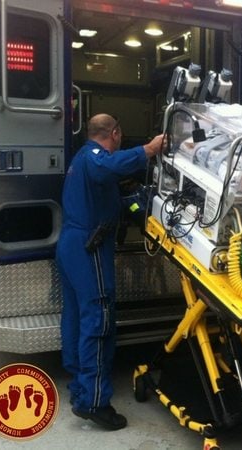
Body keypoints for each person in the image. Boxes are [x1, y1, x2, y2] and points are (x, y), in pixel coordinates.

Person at [56, 114, 165, 430]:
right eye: (120, 137)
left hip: (72, 243)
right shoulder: (94, 158)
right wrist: (149, 150)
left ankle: (80, 386)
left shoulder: (80, 158)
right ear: (114, 133)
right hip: (88, 246)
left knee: (76, 317)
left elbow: (109, 188)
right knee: (99, 320)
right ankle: (94, 403)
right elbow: (110, 167)